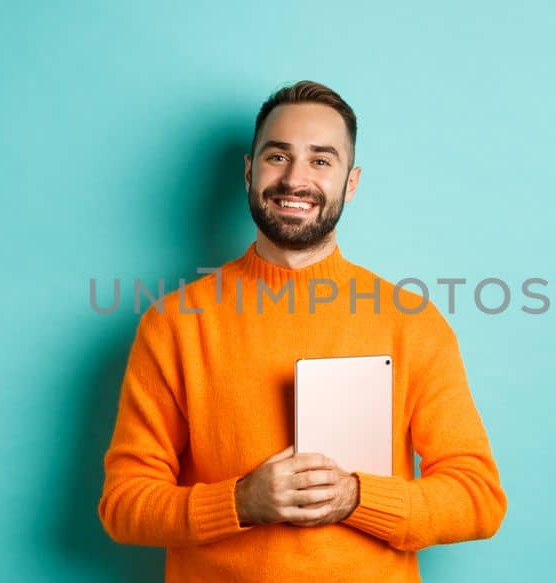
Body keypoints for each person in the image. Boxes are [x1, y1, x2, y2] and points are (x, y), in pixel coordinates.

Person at [98, 80, 506, 582]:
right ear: (249, 171)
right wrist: (241, 502)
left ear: (350, 183)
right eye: (277, 156)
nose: (295, 179)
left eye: (320, 160)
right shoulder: (175, 323)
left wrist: (357, 497)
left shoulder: (412, 323)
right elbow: (123, 504)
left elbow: (478, 498)